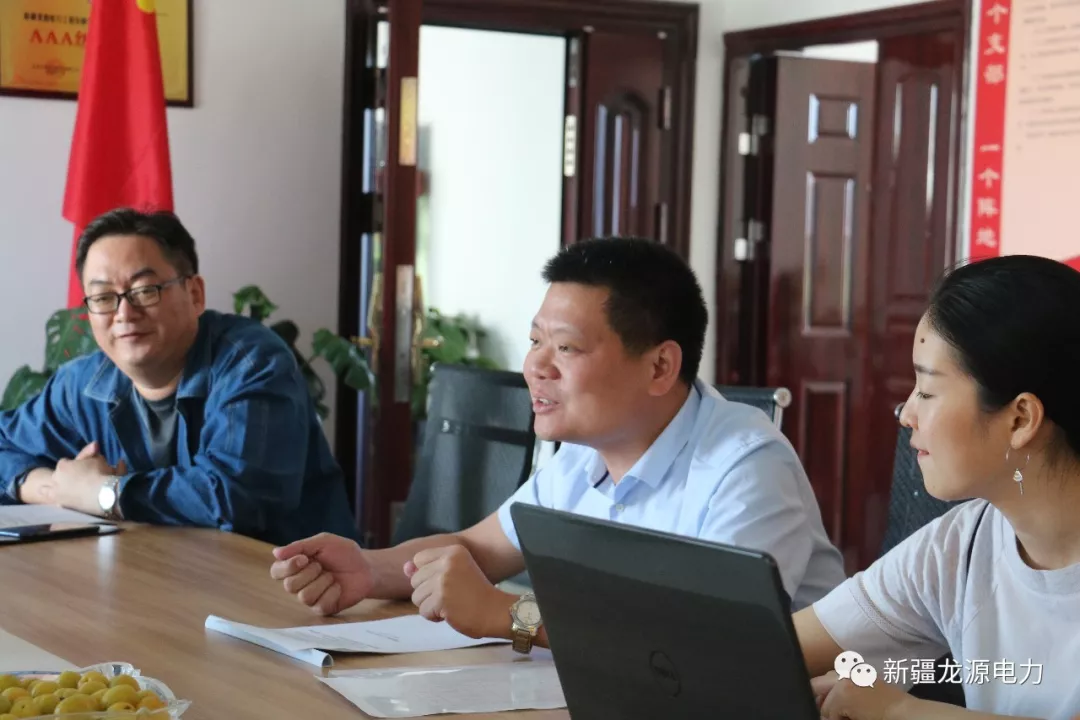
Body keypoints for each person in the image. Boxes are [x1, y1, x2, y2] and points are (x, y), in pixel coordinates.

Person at [272, 237, 845, 652]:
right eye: (534, 341)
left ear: (660, 366)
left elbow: (707, 646)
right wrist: (368, 570)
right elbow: (477, 549)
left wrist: (511, 615)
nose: (535, 367)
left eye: (566, 348)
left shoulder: (746, 467)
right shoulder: (585, 455)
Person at [795, 255, 1080, 720]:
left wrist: (898, 712)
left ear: (1020, 419)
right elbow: (780, 647)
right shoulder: (961, 544)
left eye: (926, 391)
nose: (907, 414)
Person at [0, 208, 358, 546]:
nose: (124, 313)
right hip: (158, 575)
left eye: (144, 290)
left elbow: (239, 497)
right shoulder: (84, 382)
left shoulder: (251, 363)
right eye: (103, 297)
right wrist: (53, 488)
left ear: (195, 294)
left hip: (287, 581)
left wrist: (102, 493)